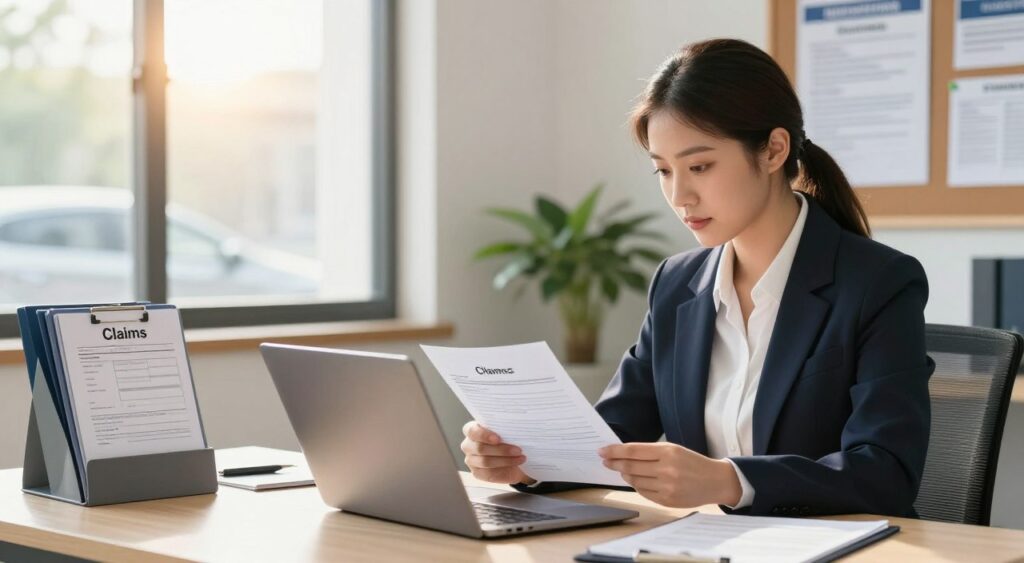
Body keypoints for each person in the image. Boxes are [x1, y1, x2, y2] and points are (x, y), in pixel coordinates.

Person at [461, 38, 933, 517]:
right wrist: (525, 463)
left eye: (700, 166)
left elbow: (885, 472)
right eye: (663, 171)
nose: (680, 195)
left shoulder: (879, 282)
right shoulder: (677, 283)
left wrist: (729, 480)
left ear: (773, 150)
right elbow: (610, 440)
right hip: (704, 546)